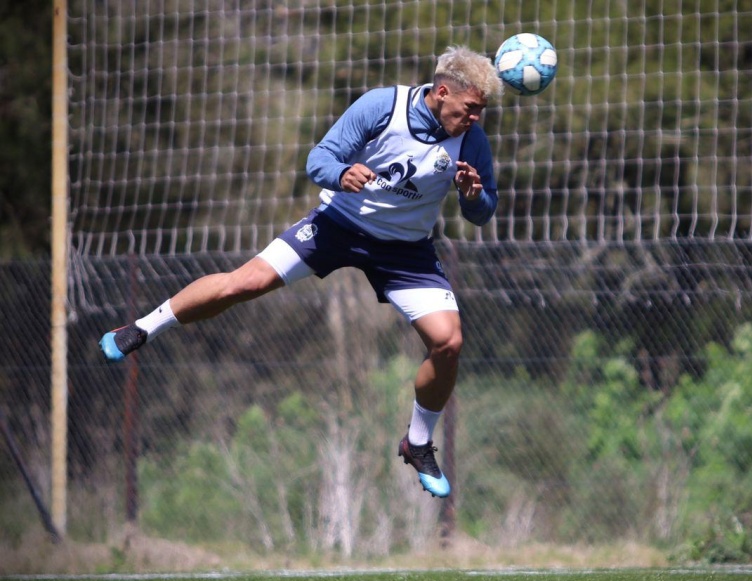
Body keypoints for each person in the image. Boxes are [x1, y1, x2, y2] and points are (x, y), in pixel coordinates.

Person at [99, 46, 504, 499]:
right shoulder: (380, 106)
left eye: (480, 112)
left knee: (449, 342)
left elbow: (484, 212)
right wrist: (341, 175)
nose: (475, 119)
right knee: (245, 282)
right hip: (337, 226)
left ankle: (418, 442)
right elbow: (319, 160)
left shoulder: (472, 141)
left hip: (405, 251)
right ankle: (142, 328)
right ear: (443, 92)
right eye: (470, 109)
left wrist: (472, 197)